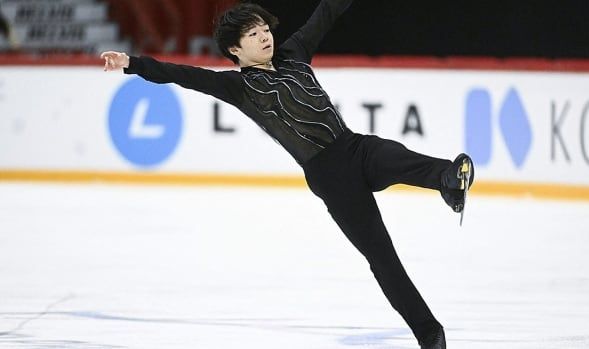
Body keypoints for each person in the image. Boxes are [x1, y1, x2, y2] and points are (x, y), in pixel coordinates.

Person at [101, 1, 474, 348]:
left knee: (393, 154)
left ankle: (448, 180)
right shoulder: (237, 87)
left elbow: (325, 14)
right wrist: (132, 63)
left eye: (265, 29)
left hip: (354, 147)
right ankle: (430, 333)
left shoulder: (294, 53)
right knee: (383, 259)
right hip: (330, 177)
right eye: (253, 34)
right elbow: (181, 74)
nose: (264, 37)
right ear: (235, 50)